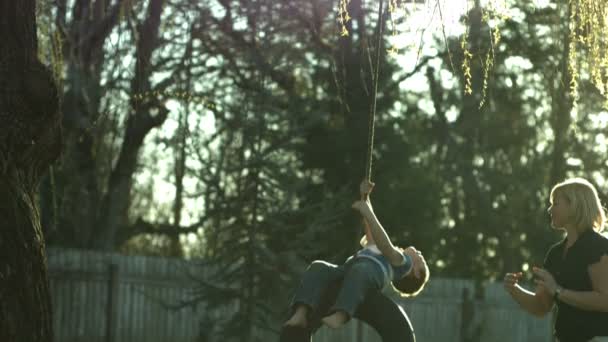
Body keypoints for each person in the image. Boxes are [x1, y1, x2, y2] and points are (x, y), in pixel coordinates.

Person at [283, 179, 430, 331]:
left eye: (422, 261)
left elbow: (385, 245)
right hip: (348, 269)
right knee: (318, 267)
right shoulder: (379, 249)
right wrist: (365, 196)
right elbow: (370, 226)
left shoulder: (402, 265)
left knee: (360, 270)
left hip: (366, 273)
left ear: (415, 272)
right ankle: (301, 313)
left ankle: (341, 316)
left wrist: (367, 210)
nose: (420, 254)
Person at [503, 178, 608, 342]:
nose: (550, 209)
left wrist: (559, 291)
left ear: (574, 205)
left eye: (556, 204)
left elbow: (605, 300)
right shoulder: (555, 253)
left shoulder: (598, 246)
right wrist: (515, 289)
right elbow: (542, 307)